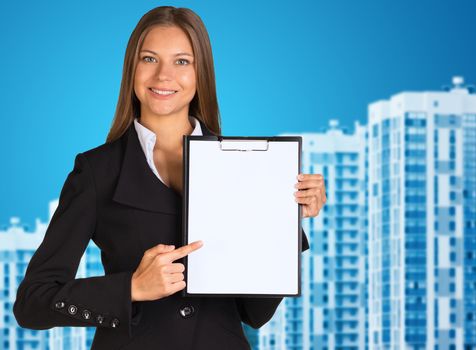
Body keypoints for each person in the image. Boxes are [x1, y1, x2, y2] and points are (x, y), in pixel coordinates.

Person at [13, 6, 326, 349]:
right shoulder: (97, 171)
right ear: (131, 68)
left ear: (200, 73)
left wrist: (284, 221)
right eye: (149, 59)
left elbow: (254, 311)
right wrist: (131, 288)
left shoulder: (247, 168)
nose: (164, 75)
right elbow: (33, 303)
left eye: (181, 61)